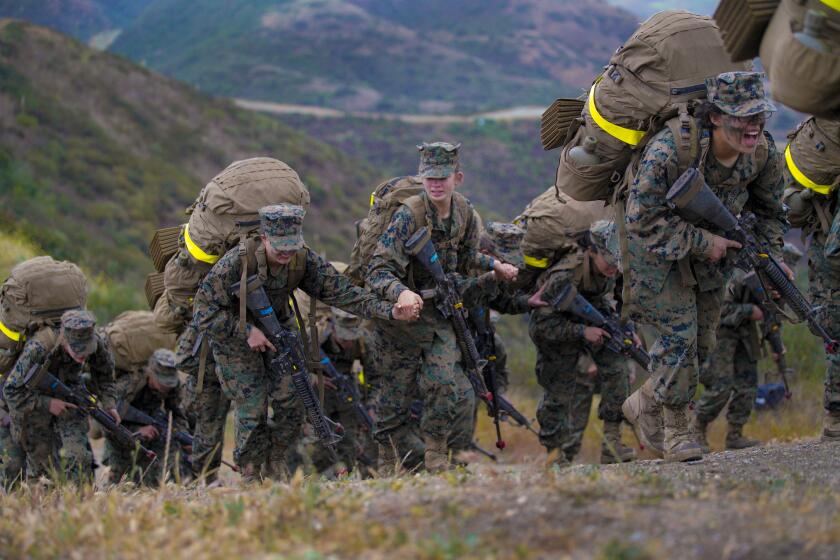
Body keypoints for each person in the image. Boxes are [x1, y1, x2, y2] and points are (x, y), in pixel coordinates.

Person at [622, 71, 789, 462]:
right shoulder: (672, 150)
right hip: (655, 252)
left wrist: (773, 258)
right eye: (743, 116)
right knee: (680, 337)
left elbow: (771, 214)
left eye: (759, 116)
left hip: (716, 257)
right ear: (715, 117)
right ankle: (678, 430)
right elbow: (640, 219)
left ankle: (645, 402)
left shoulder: (762, 153)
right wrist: (703, 242)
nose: (754, 126)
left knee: (701, 345)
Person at [191, 203, 414, 479]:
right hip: (233, 338)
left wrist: (389, 310)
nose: (286, 252)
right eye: (279, 246)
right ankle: (250, 472)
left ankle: (275, 462)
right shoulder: (237, 262)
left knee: (294, 401)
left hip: (280, 332)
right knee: (253, 408)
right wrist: (246, 332)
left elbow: (344, 293)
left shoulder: (302, 259)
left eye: (291, 245)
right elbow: (203, 312)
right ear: (263, 238)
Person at [366, 142, 519, 473]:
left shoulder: (463, 211)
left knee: (444, 382)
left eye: (443, 177)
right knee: (396, 395)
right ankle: (386, 463)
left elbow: (464, 257)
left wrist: (494, 265)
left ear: (457, 177)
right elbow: (377, 269)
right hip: (401, 319)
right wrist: (400, 293)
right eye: (430, 178)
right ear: (422, 179)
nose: (436, 184)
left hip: (440, 314)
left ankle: (435, 455)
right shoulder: (410, 215)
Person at [528, 220, 636, 466]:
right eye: (608, 261)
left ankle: (612, 442)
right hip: (558, 332)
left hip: (595, 322)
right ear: (591, 251)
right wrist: (581, 331)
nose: (613, 267)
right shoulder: (564, 276)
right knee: (559, 393)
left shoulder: (614, 269)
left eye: (616, 261)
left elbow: (622, 301)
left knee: (617, 367)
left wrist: (627, 329)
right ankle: (556, 455)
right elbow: (541, 327)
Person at [3, 310, 118, 483]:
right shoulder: (39, 347)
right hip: (34, 403)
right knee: (41, 470)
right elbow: (11, 390)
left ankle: (81, 504)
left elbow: (106, 376)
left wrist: (109, 404)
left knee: (80, 458)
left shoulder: (96, 343)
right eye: (77, 350)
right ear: (65, 340)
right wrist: (47, 403)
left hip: (71, 398)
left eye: (86, 350)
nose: (83, 356)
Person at [105, 349, 190, 484]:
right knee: (118, 486)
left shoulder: (174, 387)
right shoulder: (130, 383)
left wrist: (184, 437)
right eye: (162, 381)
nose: (166, 386)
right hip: (121, 435)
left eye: (169, 382)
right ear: (150, 373)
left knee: (152, 477)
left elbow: (179, 416)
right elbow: (106, 420)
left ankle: (157, 484)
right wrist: (137, 430)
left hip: (153, 429)